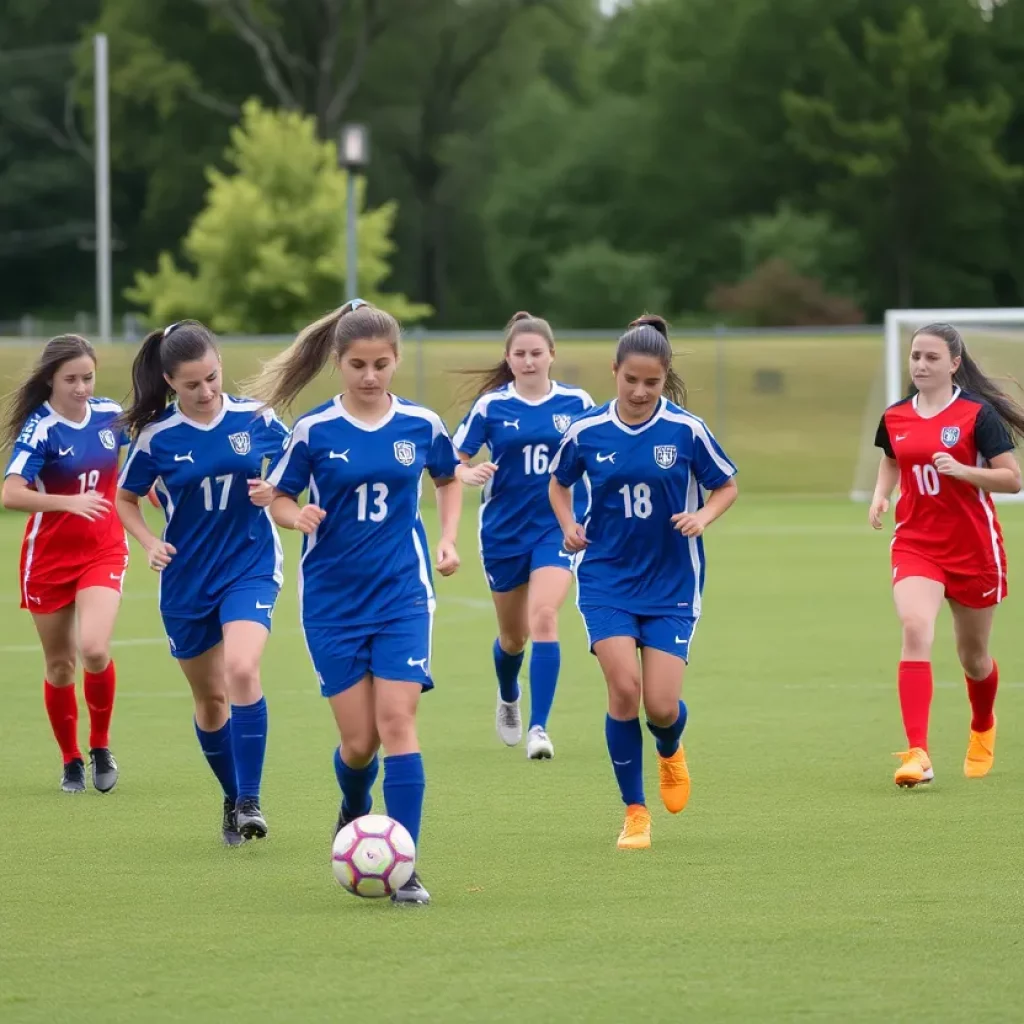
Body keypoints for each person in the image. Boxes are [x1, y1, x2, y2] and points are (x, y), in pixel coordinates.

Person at [247, 299, 462, 906]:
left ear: (396, 361)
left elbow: (447, 479)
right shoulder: (314, 430)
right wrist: (296, 515)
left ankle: (407, 865)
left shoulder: (420, 425)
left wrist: (447, 538)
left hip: (402, 594)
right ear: (338, 363)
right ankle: (354, 804)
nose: (371, 376)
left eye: (382, 364)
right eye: (358, 365)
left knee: (399, 724)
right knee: (360, 743)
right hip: (333, 602)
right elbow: (279, 497)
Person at [549, 315, 738, 850]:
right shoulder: (585, 431)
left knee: (659, 705)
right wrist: (568, 527)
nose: (639, 391)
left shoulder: (686, 430)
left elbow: (725, 486)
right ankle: (635, 812)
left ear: (664, 378)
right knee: (624, 690)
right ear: (615, 371)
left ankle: (670, 746)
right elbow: (558, 486)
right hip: (606, 577)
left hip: (672, 582)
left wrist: (702, 517)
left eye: (651, 383)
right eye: (630, 379)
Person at [115, 321, 286, 844]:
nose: (207, 391)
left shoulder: (255, 417)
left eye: (212, 377)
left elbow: (292, 463)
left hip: (249, 564)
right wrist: (149, 542)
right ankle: (232, 797)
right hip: (187, 579)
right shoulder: (155, 439)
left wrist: (274, 489)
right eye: (192, 384)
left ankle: (252, 799)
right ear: (170, 381)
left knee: (241, 667)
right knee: (210, 700)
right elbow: (126, 499)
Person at [869, 323, 1024, 788]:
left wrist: (962, 470)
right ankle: (918, 753)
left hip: (974, 549)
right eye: (916, 356)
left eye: (932, 357)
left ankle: (982, 724)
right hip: (917, 542)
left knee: (973, 657)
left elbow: (1012, 479)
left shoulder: (978, 416)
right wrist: (881, 495)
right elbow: (892, 457)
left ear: (954, 363)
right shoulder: (895, 415)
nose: (920, 364)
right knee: (915, 628)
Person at [453, 311, 594, 759]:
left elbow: (603, 455)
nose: (529, 361)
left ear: (552, 355)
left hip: (556, 527)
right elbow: (451, 460)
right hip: (503, 532)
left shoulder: (577, 403)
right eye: (520, 354)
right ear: (508, 359)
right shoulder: (492, 406)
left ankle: (539, 727)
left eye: (537, 353)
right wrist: (467, 471)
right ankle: (509, 693)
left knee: (546, 617)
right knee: (513, 639)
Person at [1, 335, 127, 794]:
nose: (81, 387)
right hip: (49, 559)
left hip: (103, 548)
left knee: (93, 649)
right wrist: (66, 503)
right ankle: (70, 759)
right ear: (50, 379)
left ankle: (99, 746)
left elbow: (149, 456)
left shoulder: (113, 416)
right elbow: (11, 492)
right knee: (60, 666)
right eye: (71, 379)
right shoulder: (41, 428)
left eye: (87, 377)